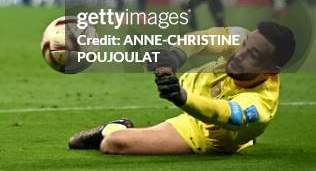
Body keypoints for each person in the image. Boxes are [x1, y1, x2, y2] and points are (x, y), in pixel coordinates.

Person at [69, 22, 295, 155]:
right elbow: (204, 39)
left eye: (253, 55)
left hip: (204, 131)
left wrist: (181, 98)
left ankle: (114, 127)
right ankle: (245, 138)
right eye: (245, 45)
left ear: (271, 71)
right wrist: (175, 56)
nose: (240, 54)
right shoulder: (243, 38)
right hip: (197, 89)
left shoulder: (260, 107)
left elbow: (221, 113)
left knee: (113, 143)